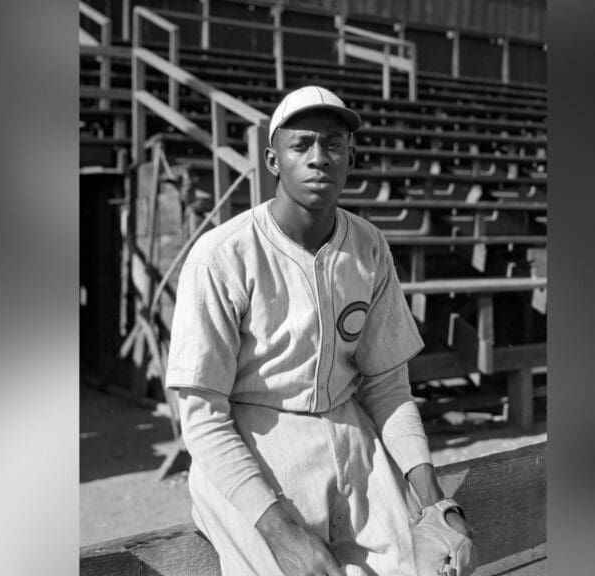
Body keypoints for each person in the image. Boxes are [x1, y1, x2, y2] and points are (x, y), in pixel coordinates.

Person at [165, 86, 471, 575]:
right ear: (272, 159)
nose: (318, 158)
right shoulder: (220, 256)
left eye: (332, 144)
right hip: (252, 440)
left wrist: (434, 503)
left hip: (350, 433)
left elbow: (389, 387)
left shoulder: (369, 246)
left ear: (351, 157)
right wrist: (282, 533)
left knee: (432, 564)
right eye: (301, 144)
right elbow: (201, 419)